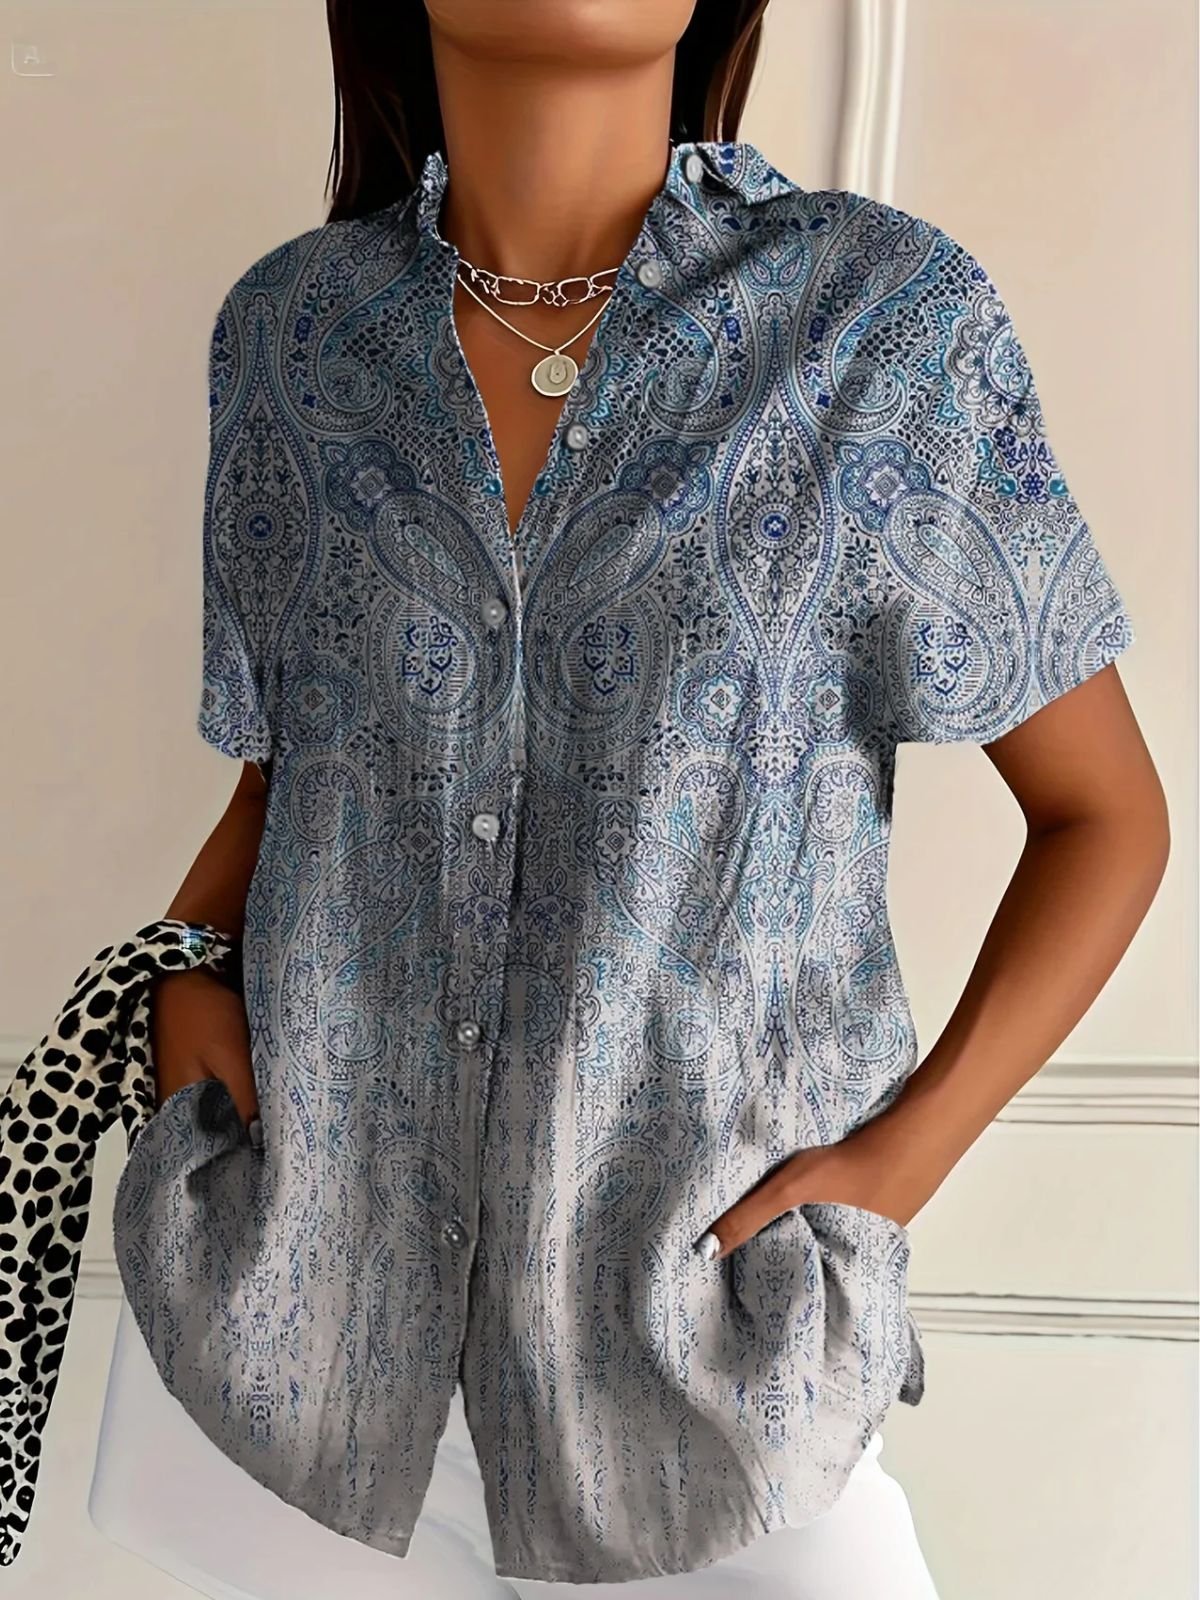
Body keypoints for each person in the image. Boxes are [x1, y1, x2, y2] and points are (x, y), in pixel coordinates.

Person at [91, 2, 1166, 1598]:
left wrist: (899, 1167)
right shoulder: (292, 336)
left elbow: (1106, 818)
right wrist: (187, 973)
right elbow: (295, 766)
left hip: (709, 1375)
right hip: (298, 1341)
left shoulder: (880, 325)